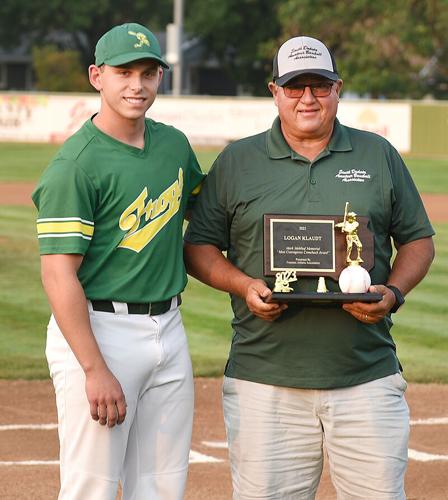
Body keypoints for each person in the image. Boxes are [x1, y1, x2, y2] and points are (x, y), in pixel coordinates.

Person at [184, 35, 435, 499]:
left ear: (338, 88)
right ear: (274, 91)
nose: (307, 98)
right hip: (264, 383)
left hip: (366, 378)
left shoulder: (377, 155)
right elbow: (198, 247)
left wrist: (393, 293)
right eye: (294, 86)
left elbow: (418, 239)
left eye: (319, 86)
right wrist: (243, 287)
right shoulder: (238, 160)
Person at [32, 22, 204, 500]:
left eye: (148, 73)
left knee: (163, 485)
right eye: (124, 72)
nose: (137, 85)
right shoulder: (76, 166)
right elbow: (58, 272)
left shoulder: (172, 145)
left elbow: (208, 213)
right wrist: (94, 369)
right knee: (93, 488)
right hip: (100, 330)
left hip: (169, 326)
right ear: (96, 77)